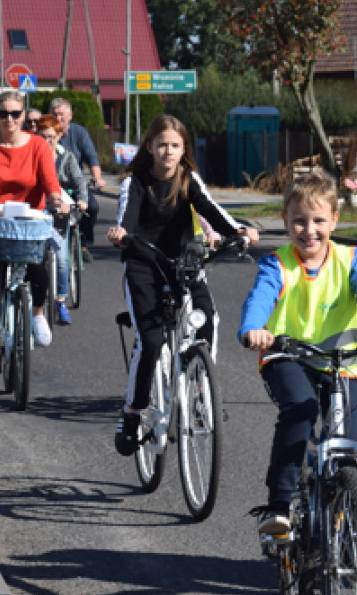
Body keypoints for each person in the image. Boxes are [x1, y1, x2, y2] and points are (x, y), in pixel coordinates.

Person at [239, 170, 357, 535]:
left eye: (319, 221)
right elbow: (259, 299)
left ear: (335, 220)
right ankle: (279, 503)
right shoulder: (276, 264)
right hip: (288, 358)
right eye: (299, 221)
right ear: (285, 221)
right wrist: (253, 330)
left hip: (343, 363)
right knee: (302, 409)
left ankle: (345, 524)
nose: (309, 230)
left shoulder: (351, 259)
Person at [106, 114, 259, 455]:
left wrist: (238, 231)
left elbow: (211, 209)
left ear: (183, 149)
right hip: (143, 266)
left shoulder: (188, 180)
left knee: (208, 319)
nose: (168, 152)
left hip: (184, 265)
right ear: (150, 146)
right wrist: (121, 235)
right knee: (151, 340)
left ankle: (201, 392)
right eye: (162, 145)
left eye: (175, 146)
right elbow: (126, 217)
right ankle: (132, 412)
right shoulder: (135, 182)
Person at [0, 90, 64, 376]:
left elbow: (49, 181)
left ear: (23, 116)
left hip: (30, 223)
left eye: (15, 114)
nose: (9, 119)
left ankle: (38, 314)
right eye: (3, 113)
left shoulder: (37, 146)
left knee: (38, 269)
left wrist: (56, 200)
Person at [36, 113, 87, 325]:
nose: (47, 141)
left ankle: (60, 301)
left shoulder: (67, 157)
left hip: (60, 213)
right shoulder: (32, 155)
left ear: (59, 135)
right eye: (43, 136)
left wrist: (81, 200)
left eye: (51, 136)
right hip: (38, 212)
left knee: (62, 259)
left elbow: (79, 182)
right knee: (34, 259)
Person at [50, 97, 104, 261]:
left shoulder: (79, 133)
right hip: (51, 185)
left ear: (70, 116)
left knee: (92, 207)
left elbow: (91, 157)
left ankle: (84, 242)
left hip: (73, 182)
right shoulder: (45, 134)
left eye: (61, 115)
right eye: (54, 115)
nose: (58, 119)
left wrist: (98, 178)